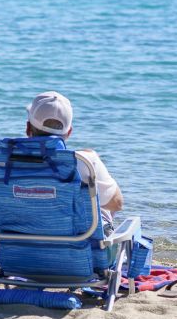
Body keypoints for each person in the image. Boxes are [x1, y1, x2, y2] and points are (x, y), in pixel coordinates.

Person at [23, 91, 123, 226]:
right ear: (69, 132)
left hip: (12, 241)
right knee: (100, 207)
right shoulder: (84, 162)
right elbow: (116, 203)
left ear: (28, 127)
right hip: (74, 244)